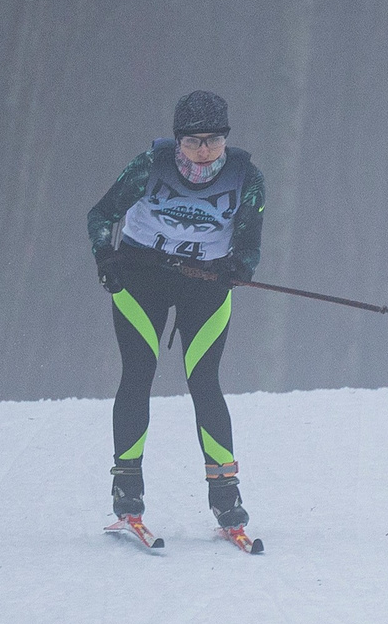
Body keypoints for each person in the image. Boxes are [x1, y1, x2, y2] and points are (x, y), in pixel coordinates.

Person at [86, 91, 267, 549]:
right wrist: (105, 256)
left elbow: (249, 245)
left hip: (204, 285)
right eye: (192, 141)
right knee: (138, 373)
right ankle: (127, 494)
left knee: (204, 380)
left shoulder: (247, 177)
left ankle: (227, 501)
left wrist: (239, 267)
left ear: (226, 138)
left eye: (213, 140)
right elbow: (101, 215)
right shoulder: (150, 166)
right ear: (177, 139)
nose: (203, 151)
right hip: (140, 280)